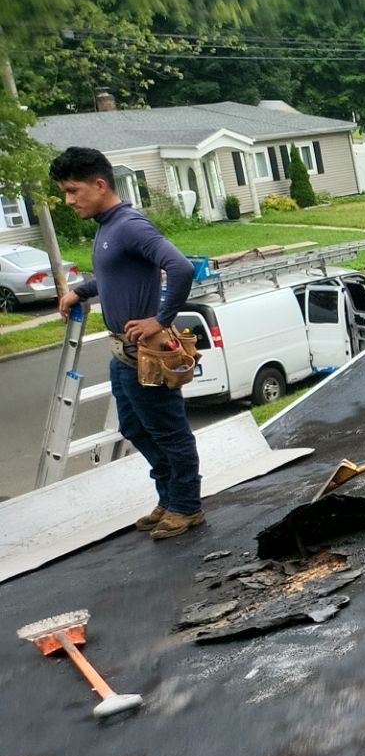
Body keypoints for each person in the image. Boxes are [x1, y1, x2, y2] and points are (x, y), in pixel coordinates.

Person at [51, 146, 205, 540]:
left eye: (73, 191)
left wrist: (160, 320)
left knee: (169, 432)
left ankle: (187, 506)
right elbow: (112, 277)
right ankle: (169, 497)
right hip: (123, 354)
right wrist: (80, 292)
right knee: (136, 428)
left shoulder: (130, 225)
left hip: (147, 355)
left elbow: (181, 267)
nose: (69, 201)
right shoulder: (107, 227)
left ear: (99, 184)